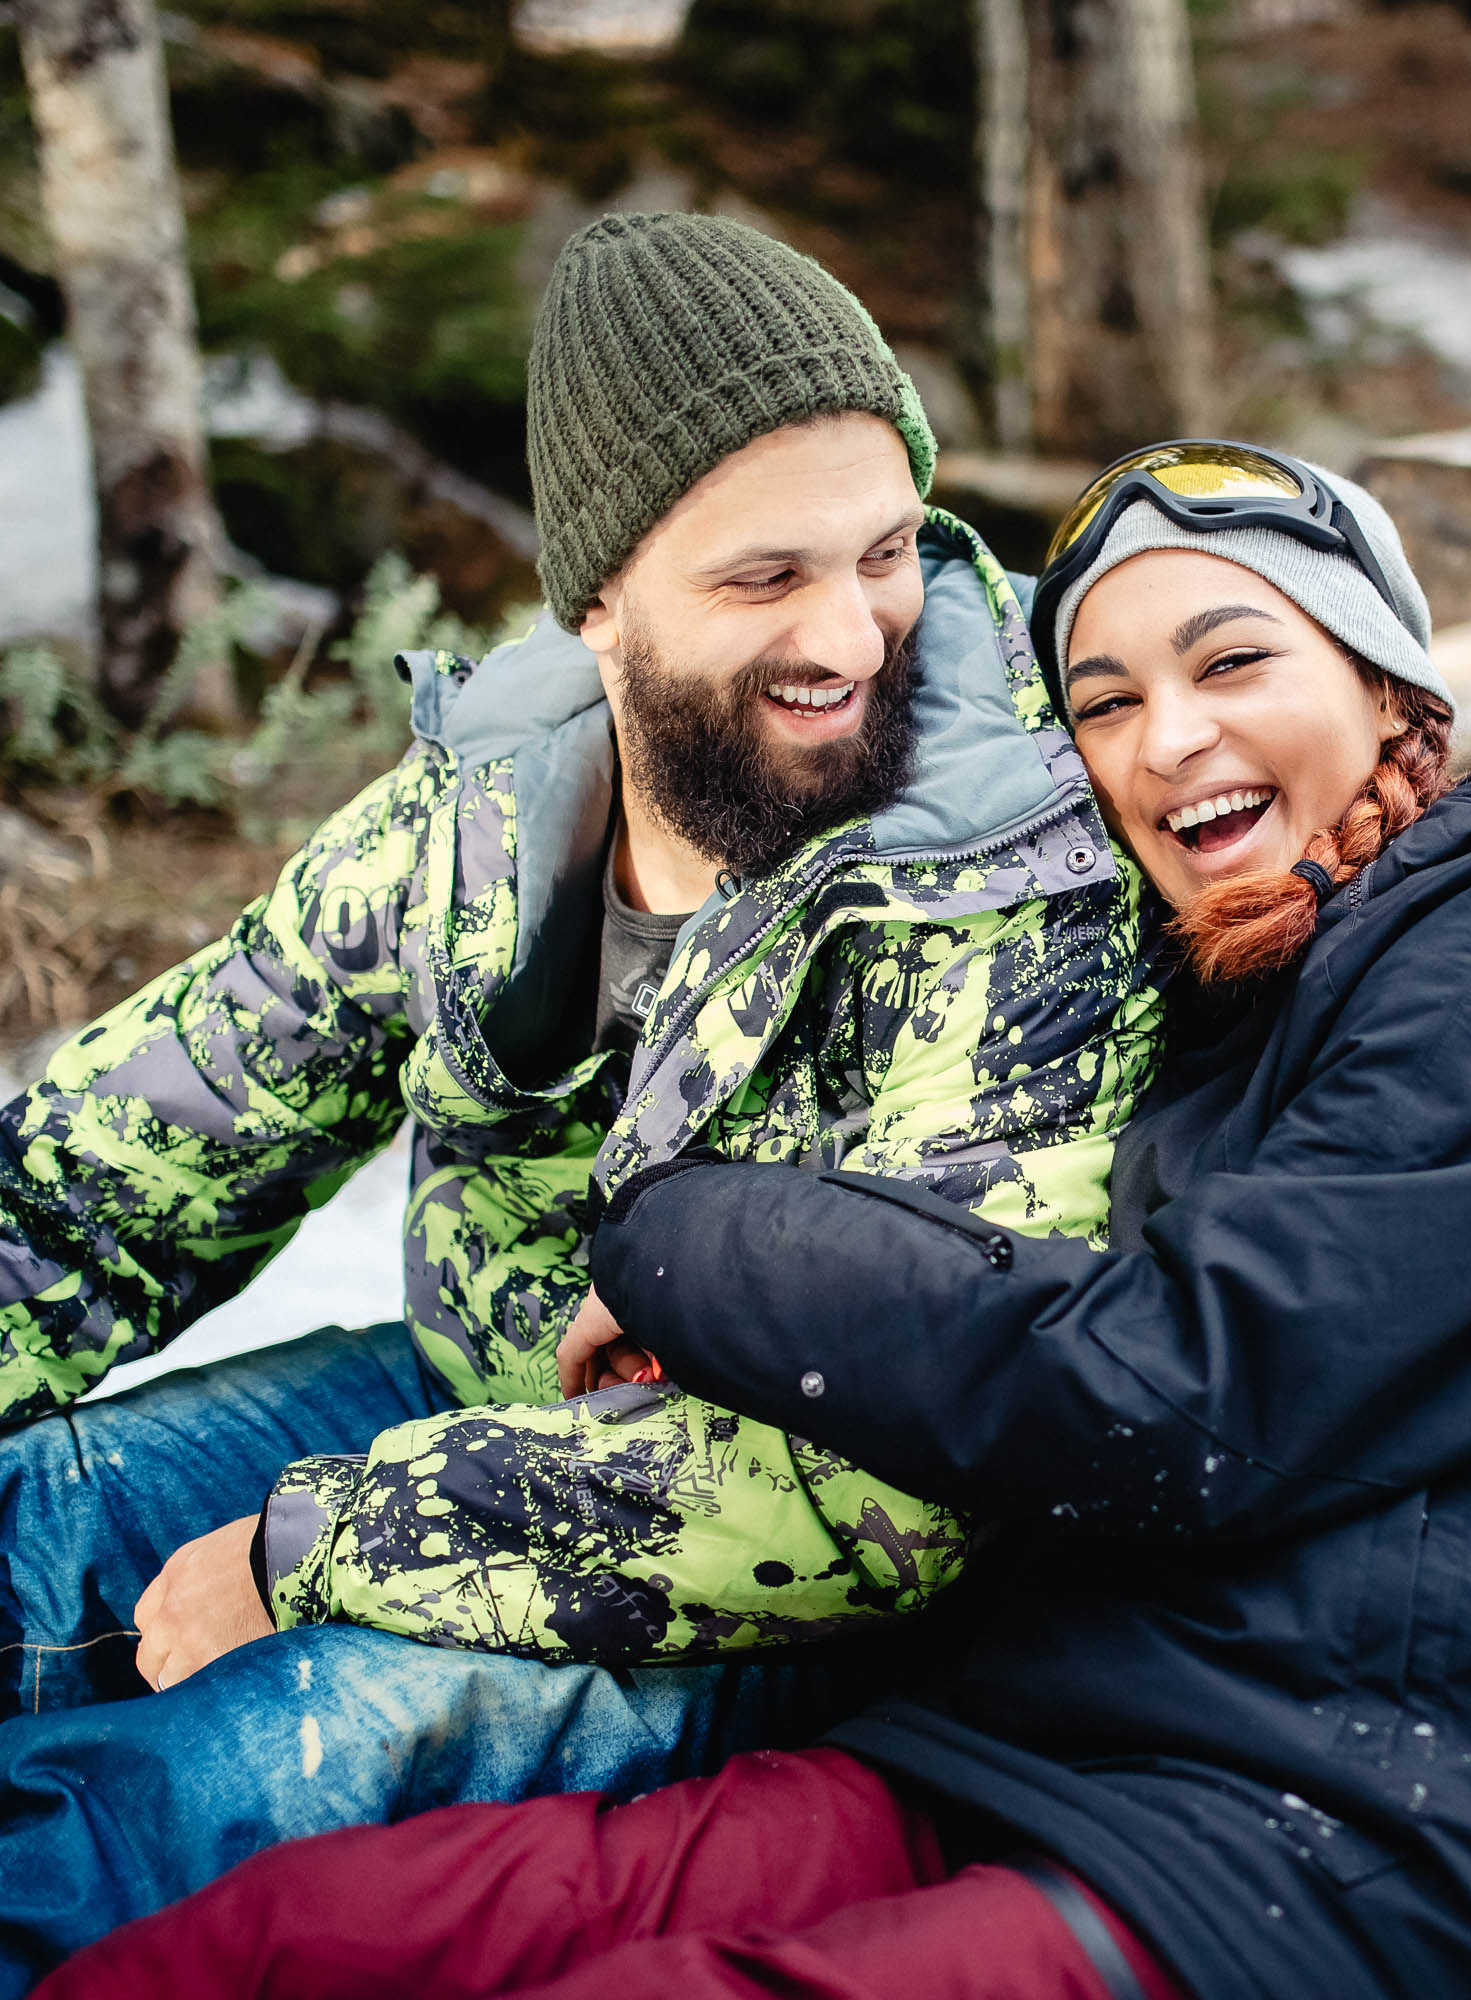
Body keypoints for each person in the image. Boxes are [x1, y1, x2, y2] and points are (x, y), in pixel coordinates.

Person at [35, 444, 1471, 2000]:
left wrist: (679, 1239)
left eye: (1232, 657)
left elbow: (1168, 1390)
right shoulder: (1208, 997)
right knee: (303, 1940)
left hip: (1450, 1808)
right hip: (1068, 1734)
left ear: (1392, 690)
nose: (1166, 733)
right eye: (1108, 696)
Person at [0, 216, 1157, 1990]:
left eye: (883, 553)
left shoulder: (1007, 882)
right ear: (599, 597)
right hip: (466, 1405)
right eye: (764, 578)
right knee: (36, 1526)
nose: (852, 632)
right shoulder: (474, 818)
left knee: (215, 1778)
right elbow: (107, 1172)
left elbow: (886, 1486)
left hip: (780, 1570)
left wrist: (320, 1545)